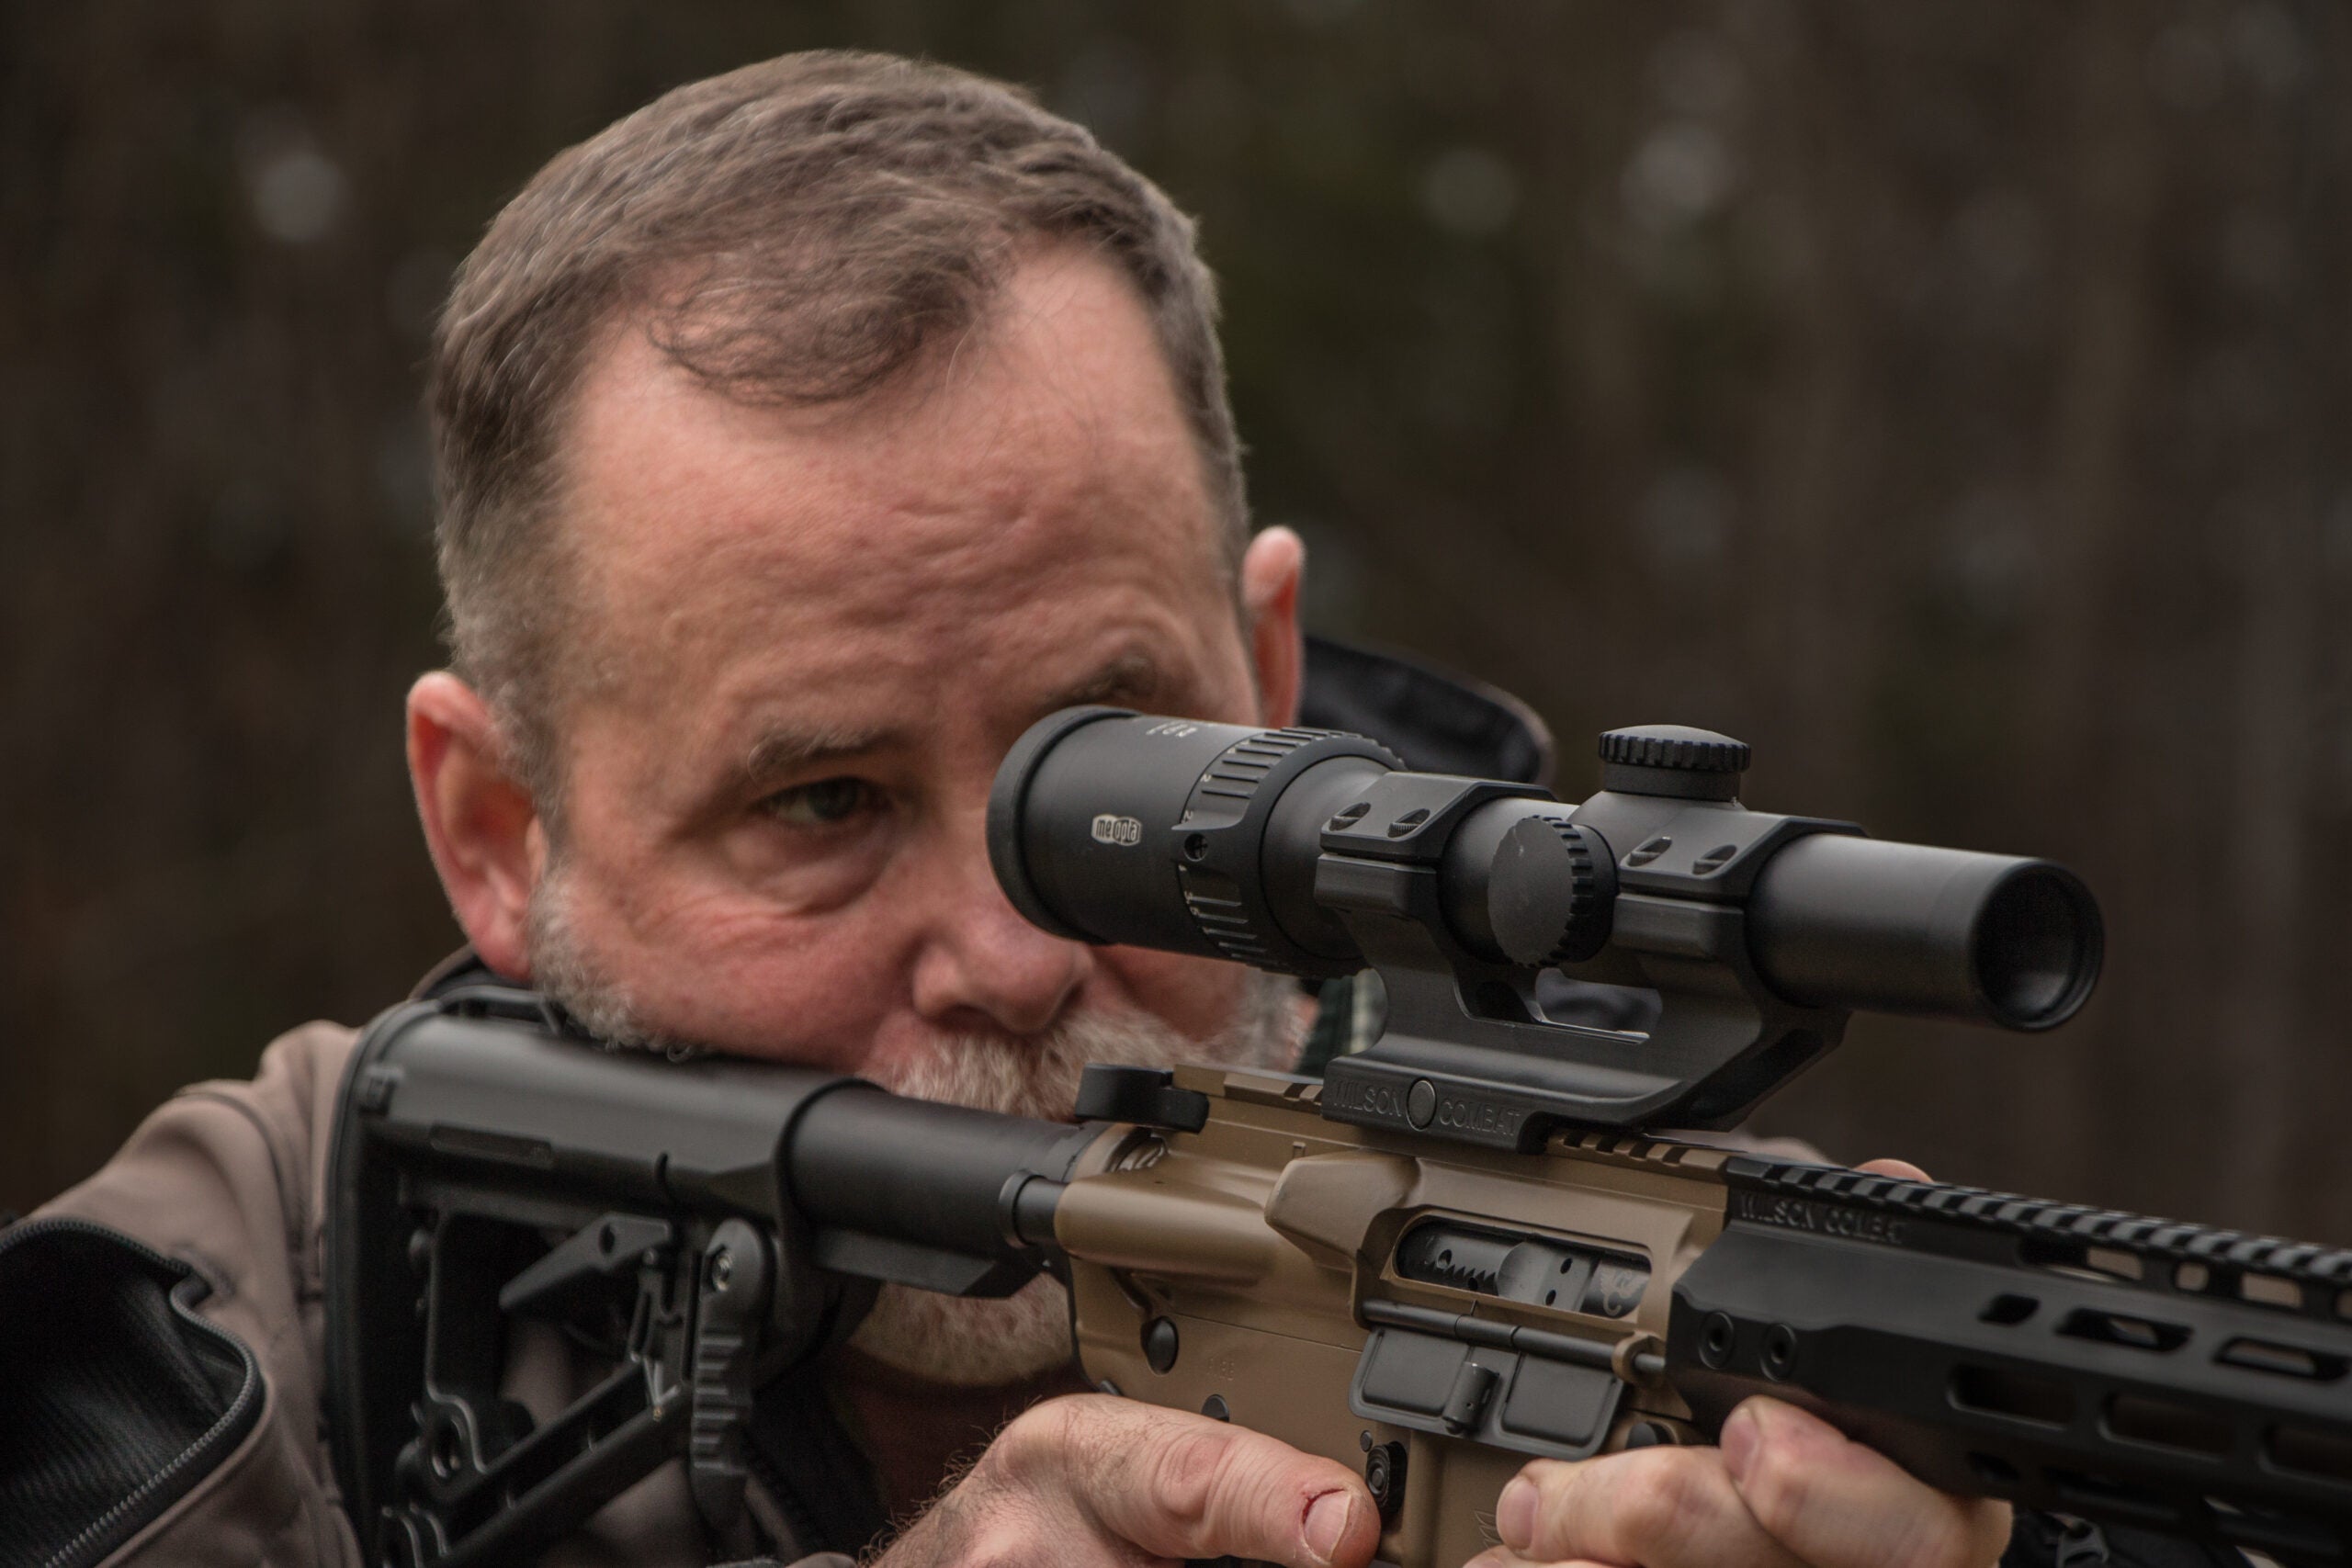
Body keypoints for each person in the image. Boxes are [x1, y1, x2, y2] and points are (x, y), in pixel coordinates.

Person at [6, 50, 2130, 1568]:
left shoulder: (1657, 1284)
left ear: (1274, 677)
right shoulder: (238, 1329)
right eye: (822, 799)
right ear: (495, 826)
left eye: (1121, 780)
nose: (1015, 950)